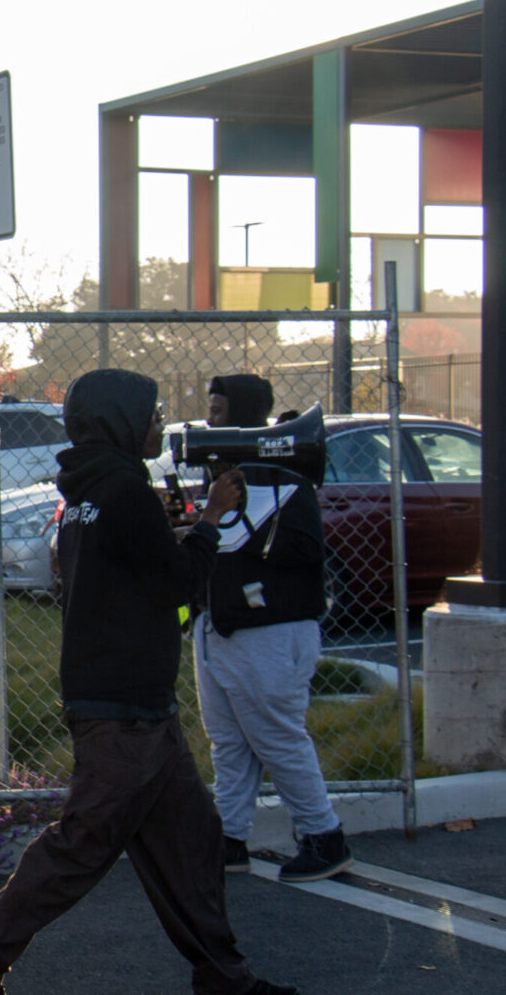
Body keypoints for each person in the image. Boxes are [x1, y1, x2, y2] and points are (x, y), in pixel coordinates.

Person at [0, 369, 292, 995]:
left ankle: (224, 975)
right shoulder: (125, 491)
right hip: (126, 711)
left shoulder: (86, 492)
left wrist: (182, 533)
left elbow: (130, 570)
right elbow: (177, 583)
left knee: (192, 842)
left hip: (133, 702)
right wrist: (211, 520)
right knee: (81, 846)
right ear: (122, 421)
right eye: (150, 415)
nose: (158, 425)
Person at [197, 375, 347, 883]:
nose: (209, 420)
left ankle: (324, 836)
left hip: (270, 632)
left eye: (218, 410)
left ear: (242, 413)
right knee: (230, 742)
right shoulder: (228, 477)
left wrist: (237, 523)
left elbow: (304, 552)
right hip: (222, 629)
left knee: (278, 738)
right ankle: (230, 839)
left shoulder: (286, 480)